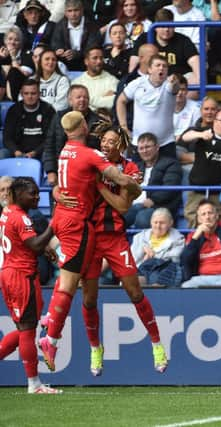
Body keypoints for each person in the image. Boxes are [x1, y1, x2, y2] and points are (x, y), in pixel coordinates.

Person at [57, 121, 168, 376]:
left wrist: (98, 184)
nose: (107, 145)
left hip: (114, 237)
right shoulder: (92, 160)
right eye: (104, 141)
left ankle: (157, 343)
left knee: (134, 291)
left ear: (122, 145)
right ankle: (96, 348)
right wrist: (56, 193)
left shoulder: (129, 168)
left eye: (112, 141)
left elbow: (123, 206)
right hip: (89, 236)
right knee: (89, 298)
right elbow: (64, 184)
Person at [38, 111, 141, 372]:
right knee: (71, 283)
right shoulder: (89, 154)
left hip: (62, 218)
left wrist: (57, 193)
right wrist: (135, 186)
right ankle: (51, 338)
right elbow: (119, 179)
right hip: (78, 224)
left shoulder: (64, 151)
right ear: (85, 126)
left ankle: (51, 319)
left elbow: (64, 182)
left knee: (70, 275)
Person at [0, 177, 62, 394]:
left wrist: (43, 248)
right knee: (27, 330)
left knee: (25, 327)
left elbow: (25, 241)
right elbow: (34, 244)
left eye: (37, 192)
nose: (37, 196)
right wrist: (54, 225)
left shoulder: (7, 212)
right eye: (32, 193)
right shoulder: (21, 218)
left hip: (10, 274)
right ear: (18, 194)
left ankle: (34, 383)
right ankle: (34, 384)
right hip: (21, 277)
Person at [182, 108, 221, 226]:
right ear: (215, 122)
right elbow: (184, 137)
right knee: (193, 220)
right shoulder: (204, 132)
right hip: (197, 190)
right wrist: (200, 135)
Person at [116, 54, 179, 158]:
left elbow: (175, 88)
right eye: (158, 65)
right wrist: (124, 127)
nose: (161, 68)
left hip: (165, 143)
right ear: (149, 69)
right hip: (139, 144)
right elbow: (121, 101)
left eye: (164, 66)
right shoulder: (137, 83)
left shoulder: (169, 84)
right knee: (137, 174)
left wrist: (175, 83)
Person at [130, 9, 200, 94]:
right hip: (151, 80)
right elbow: (133, 64)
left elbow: (196, 63)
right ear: (155, 27)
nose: (167, 29)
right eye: (163, 26)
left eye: (170, 26)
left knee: (194, 78)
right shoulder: (144, 38)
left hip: (178, 82)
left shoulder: (183, 40)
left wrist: (198, 80)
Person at [42, 84, 101, 186]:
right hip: (61, 167)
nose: (82, 100)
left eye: (85, 97)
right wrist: (51, 171)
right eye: (78, 97)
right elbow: (49, 146)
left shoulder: (98, 122)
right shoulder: (59, 117)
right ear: (70, 100)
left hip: (88, 171)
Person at [126, 132, 182, 229]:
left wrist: (153, 200)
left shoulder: (171, 164)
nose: (144, 151)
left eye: (148, 147)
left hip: (158, 206)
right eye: (141, 148)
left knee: (142, 220)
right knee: (117, 218)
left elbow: (170, 187)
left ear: (157, 147)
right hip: (135, 205)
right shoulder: (136, 166)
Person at [1, 78, 56, 161]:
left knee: (49, 155)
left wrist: (35, 152)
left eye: (33, 93)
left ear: (39, 94)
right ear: (21, 94)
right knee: (2, 154)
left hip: (41, 152)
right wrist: (16, 151)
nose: (29, 96)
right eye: (26, 93)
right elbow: (7, 138)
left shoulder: (48, 110)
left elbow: (51, 138)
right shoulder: (14, 110)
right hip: (17, 152)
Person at [131, 207, 185, 287]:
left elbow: (175, 258)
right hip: (141, 271)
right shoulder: (139, 237)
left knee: (155, 278)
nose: (158, 226)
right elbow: (132, 258)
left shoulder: (178, 239)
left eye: (162, 223)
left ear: (170, 223)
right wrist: (143, 250)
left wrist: (151, 256)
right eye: (155, 222)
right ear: (151, 223)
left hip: (164, 272)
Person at [113, 42, 158, 130]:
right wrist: (125, 129)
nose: (156, 60)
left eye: (157, 57)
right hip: (134, 129)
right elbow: (119, 106)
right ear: (141, 58)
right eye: (152, 57)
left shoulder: (164, 80)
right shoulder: (128, 81)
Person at [51, 0, 102, 71]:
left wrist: (78, 54)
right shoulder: (60, 25)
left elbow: (93, 47)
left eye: (76, 10)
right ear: (65, 13)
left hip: (86, 65)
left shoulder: (92, 26)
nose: (73, 14)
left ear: (82, 11)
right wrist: (59, 49)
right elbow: (55, 43)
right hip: (65, 64)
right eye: (70, 11)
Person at [193, 0, 221, 78]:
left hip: (212, 34)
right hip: (197, 32)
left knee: (216, 30)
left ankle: (214, 65)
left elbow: (216, 21)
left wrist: (213, 1)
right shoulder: (197, 1)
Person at [72, 46, 120, 111]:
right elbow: (74, 105)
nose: (99, 61)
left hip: (104, 119)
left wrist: (86, 100)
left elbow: (113, 102)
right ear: (86, 61)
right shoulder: (77, 82)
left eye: (101, 58)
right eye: (95, 58)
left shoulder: (112, 81)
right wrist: (102, 100)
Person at [35, 47, 70, 111]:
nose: (50, 62)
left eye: (53, 60)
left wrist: (43, 114)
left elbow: (62, 105)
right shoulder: (32, 80)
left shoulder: (63, 80)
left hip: (53, 117)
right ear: (40, 62)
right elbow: (22, 99)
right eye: (47, 59)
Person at [173, 74, 200, 142]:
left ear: (187, 91)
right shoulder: (163, 107)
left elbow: (196, 131)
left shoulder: (196, 108)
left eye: (182, 89)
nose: (179, 93)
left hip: (187, 142)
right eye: (176, 89)